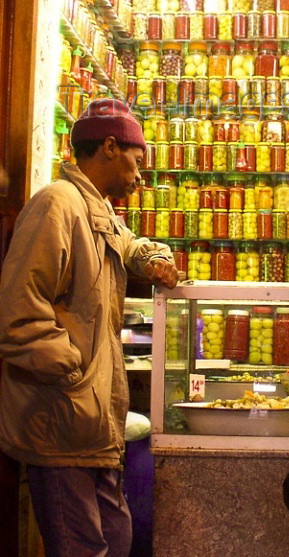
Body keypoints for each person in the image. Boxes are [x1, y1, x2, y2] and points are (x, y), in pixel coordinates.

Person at [0, 98, 179, 557]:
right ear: (111, 147)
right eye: (138, 162)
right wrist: (72, 372)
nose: (141, 176)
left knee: (115, 540)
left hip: (93, 425)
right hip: (63, 423)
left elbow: (129, 243)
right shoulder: (56, 205)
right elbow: (18, 315)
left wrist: (154, 258)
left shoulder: (92, 207)